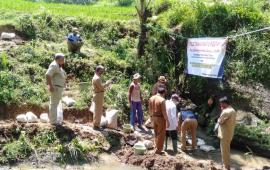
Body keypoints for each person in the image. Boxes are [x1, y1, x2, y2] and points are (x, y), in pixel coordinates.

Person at [45, 53, 66, 125]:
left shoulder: (58, 66)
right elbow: (48, 75)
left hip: (59, 88)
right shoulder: (54, 65)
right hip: (56, 87)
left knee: (56, 104)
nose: (64, 60)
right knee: (54, 104)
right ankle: (53, 122)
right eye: (63, 59)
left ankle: (56, 120)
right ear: (58, 59)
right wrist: (50, 86)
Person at [149, 87, 170, 154]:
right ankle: (158, 149)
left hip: (154, 117)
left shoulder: (151, 98)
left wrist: (151, 118)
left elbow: (150, 110)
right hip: (161, 118)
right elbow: (164, 112)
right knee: (161, 134)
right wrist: (167, 121)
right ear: (163, 93)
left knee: (155, 133)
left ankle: (156, 146)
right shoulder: (162, 100)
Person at [90, 65, 112, 130]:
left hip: (99, 95)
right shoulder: (97, 78)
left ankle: (96, 125)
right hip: (98, 95)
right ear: (98, 70)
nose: (102, 72)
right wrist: (107, 83)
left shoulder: (97, 77)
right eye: (101, 71)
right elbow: (101, 87)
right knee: (98, 111)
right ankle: (96, 126)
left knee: (98, 110)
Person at [217, 96, 236, 170]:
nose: (220, 105)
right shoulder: (233, 110)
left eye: (221, 104)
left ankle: (226, 167)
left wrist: (218, 118)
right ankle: (226, 165)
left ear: (224, 103)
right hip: (229, 133)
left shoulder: (226, 111)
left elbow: (220, 121)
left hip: (224, 135)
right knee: (227, 150)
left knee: (224, 151)